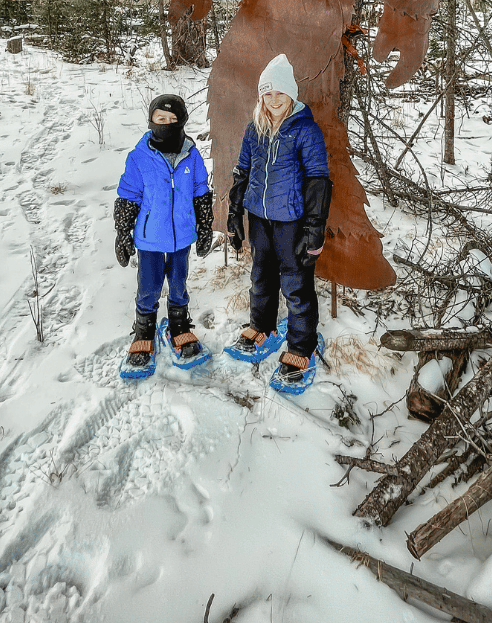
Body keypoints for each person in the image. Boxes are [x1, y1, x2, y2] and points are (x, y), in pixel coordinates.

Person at [224, 55, 332, 393]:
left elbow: (318, 180)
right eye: (267, 95)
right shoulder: (254, 128)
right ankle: (262, 325)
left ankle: (302, 345)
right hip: (259, 217)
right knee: (261, 274)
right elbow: (242, 171)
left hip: (292, 221)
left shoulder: (306, 130)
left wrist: (314, 228)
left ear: (291, 95)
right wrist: (234, 213)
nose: (273, 101)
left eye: (279, 94)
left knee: (296, 285)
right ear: (261, 97)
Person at [114, 94, 213, 379]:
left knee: (179, 283)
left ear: (181, 122)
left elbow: (200, 192)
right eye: (160, 119)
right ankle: (144, 328)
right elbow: (128, 196)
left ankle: (179, 324)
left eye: (172, 120)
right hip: (150, 238)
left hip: (182, 237)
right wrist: (123, 233)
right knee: (149, 286)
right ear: (151, 120)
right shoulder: (139, 156)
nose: (166, 124)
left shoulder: (191, 155)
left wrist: (204, 226)